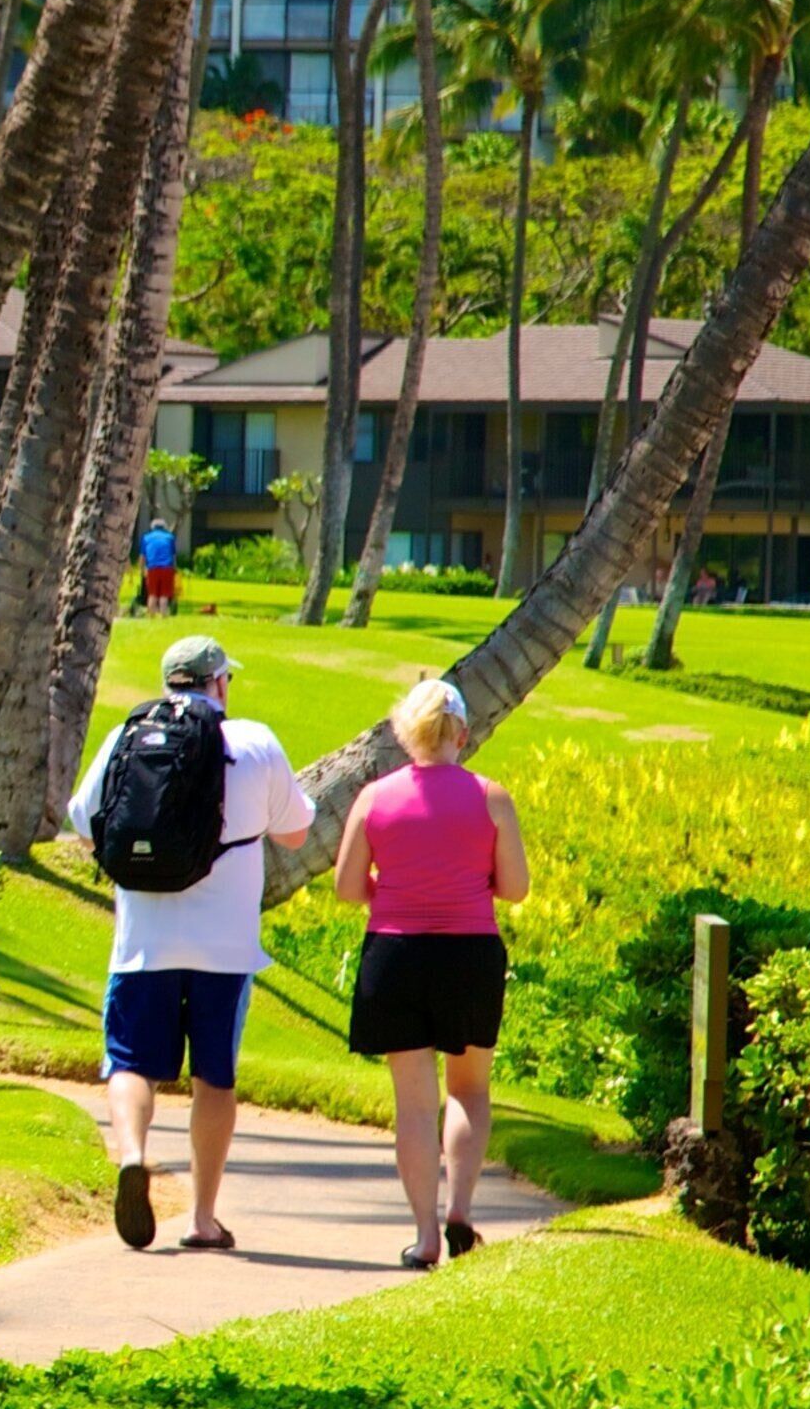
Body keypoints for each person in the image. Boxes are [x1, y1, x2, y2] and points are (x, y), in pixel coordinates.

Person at [67, 634, 313, 1251]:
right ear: (220, 683)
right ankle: (202, 1219)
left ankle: (131, 1156)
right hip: (225, 949)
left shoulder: (131, 736)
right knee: (214, 1080)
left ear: (169, 682)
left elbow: (81, 817)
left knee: (129, 1065)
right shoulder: (253, 743)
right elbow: (296, 831)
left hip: (143, 942)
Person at [328, 677, 530, 1269]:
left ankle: (425, 1236)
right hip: (469, 953)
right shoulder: (491, 797)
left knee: (414, 1104)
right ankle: (461, 1207)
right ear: (462, 733)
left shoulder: (374, 798)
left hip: (394, 954)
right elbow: (515, 889)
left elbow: (346, 887)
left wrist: (391, 890)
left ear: (403, 733)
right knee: (468, 1089)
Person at [138, 519, 180, 616]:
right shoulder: (170, 537)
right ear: (164, 527)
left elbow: (142, 557)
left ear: (152, 527)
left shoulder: (146, 538)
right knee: (164, 595)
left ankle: (151, 616)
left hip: (152, 568)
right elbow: (173, 556)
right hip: (167, 568)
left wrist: (141, 570)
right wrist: (175, 569)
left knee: (152, 594)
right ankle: (163, 615)